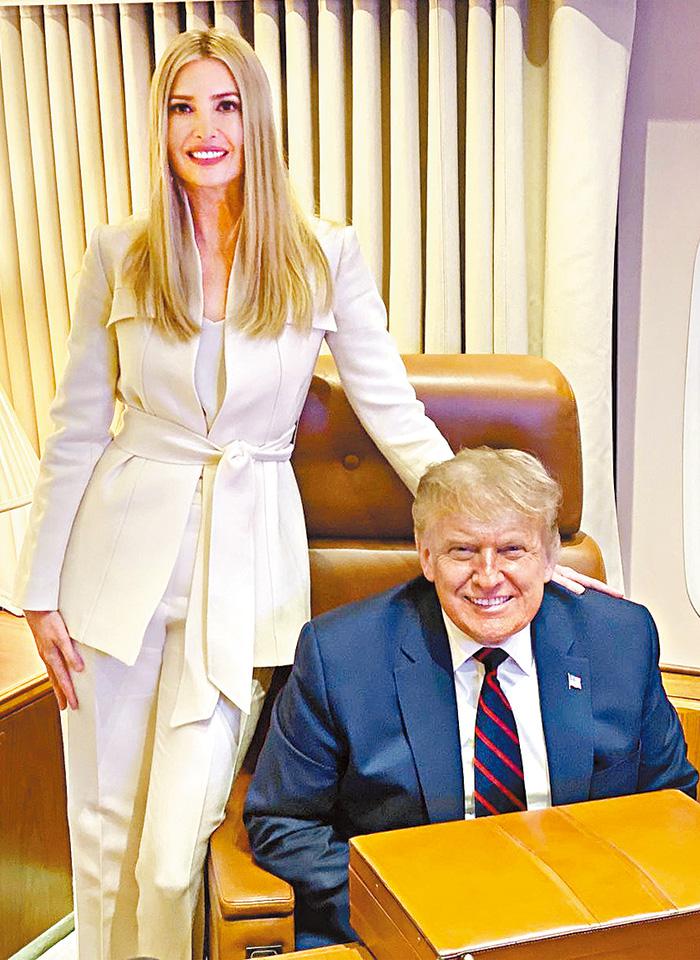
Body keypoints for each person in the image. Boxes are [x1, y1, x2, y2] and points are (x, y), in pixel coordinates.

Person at [15, 27, 609, 960]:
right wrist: (39, 589)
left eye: (225, 106)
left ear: (256, 119)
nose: (204, 129)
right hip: (112, 567)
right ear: (162, 124)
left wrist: (507, 532)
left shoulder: (322, 252)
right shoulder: (120, 251)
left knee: (169, 859)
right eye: (182, 108)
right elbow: (77, 428)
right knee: (99, 841)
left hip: (244, 565)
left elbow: (392, 408)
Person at [244, 447, 698, 950]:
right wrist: (403, 911)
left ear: (549, 557)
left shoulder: (620, 639)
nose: (487, 576)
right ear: (426, 555)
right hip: (414, 929)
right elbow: (283, 822)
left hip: (584, 924)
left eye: (512, 550)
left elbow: (670, 804)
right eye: (462, 551)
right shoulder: (342, 655)